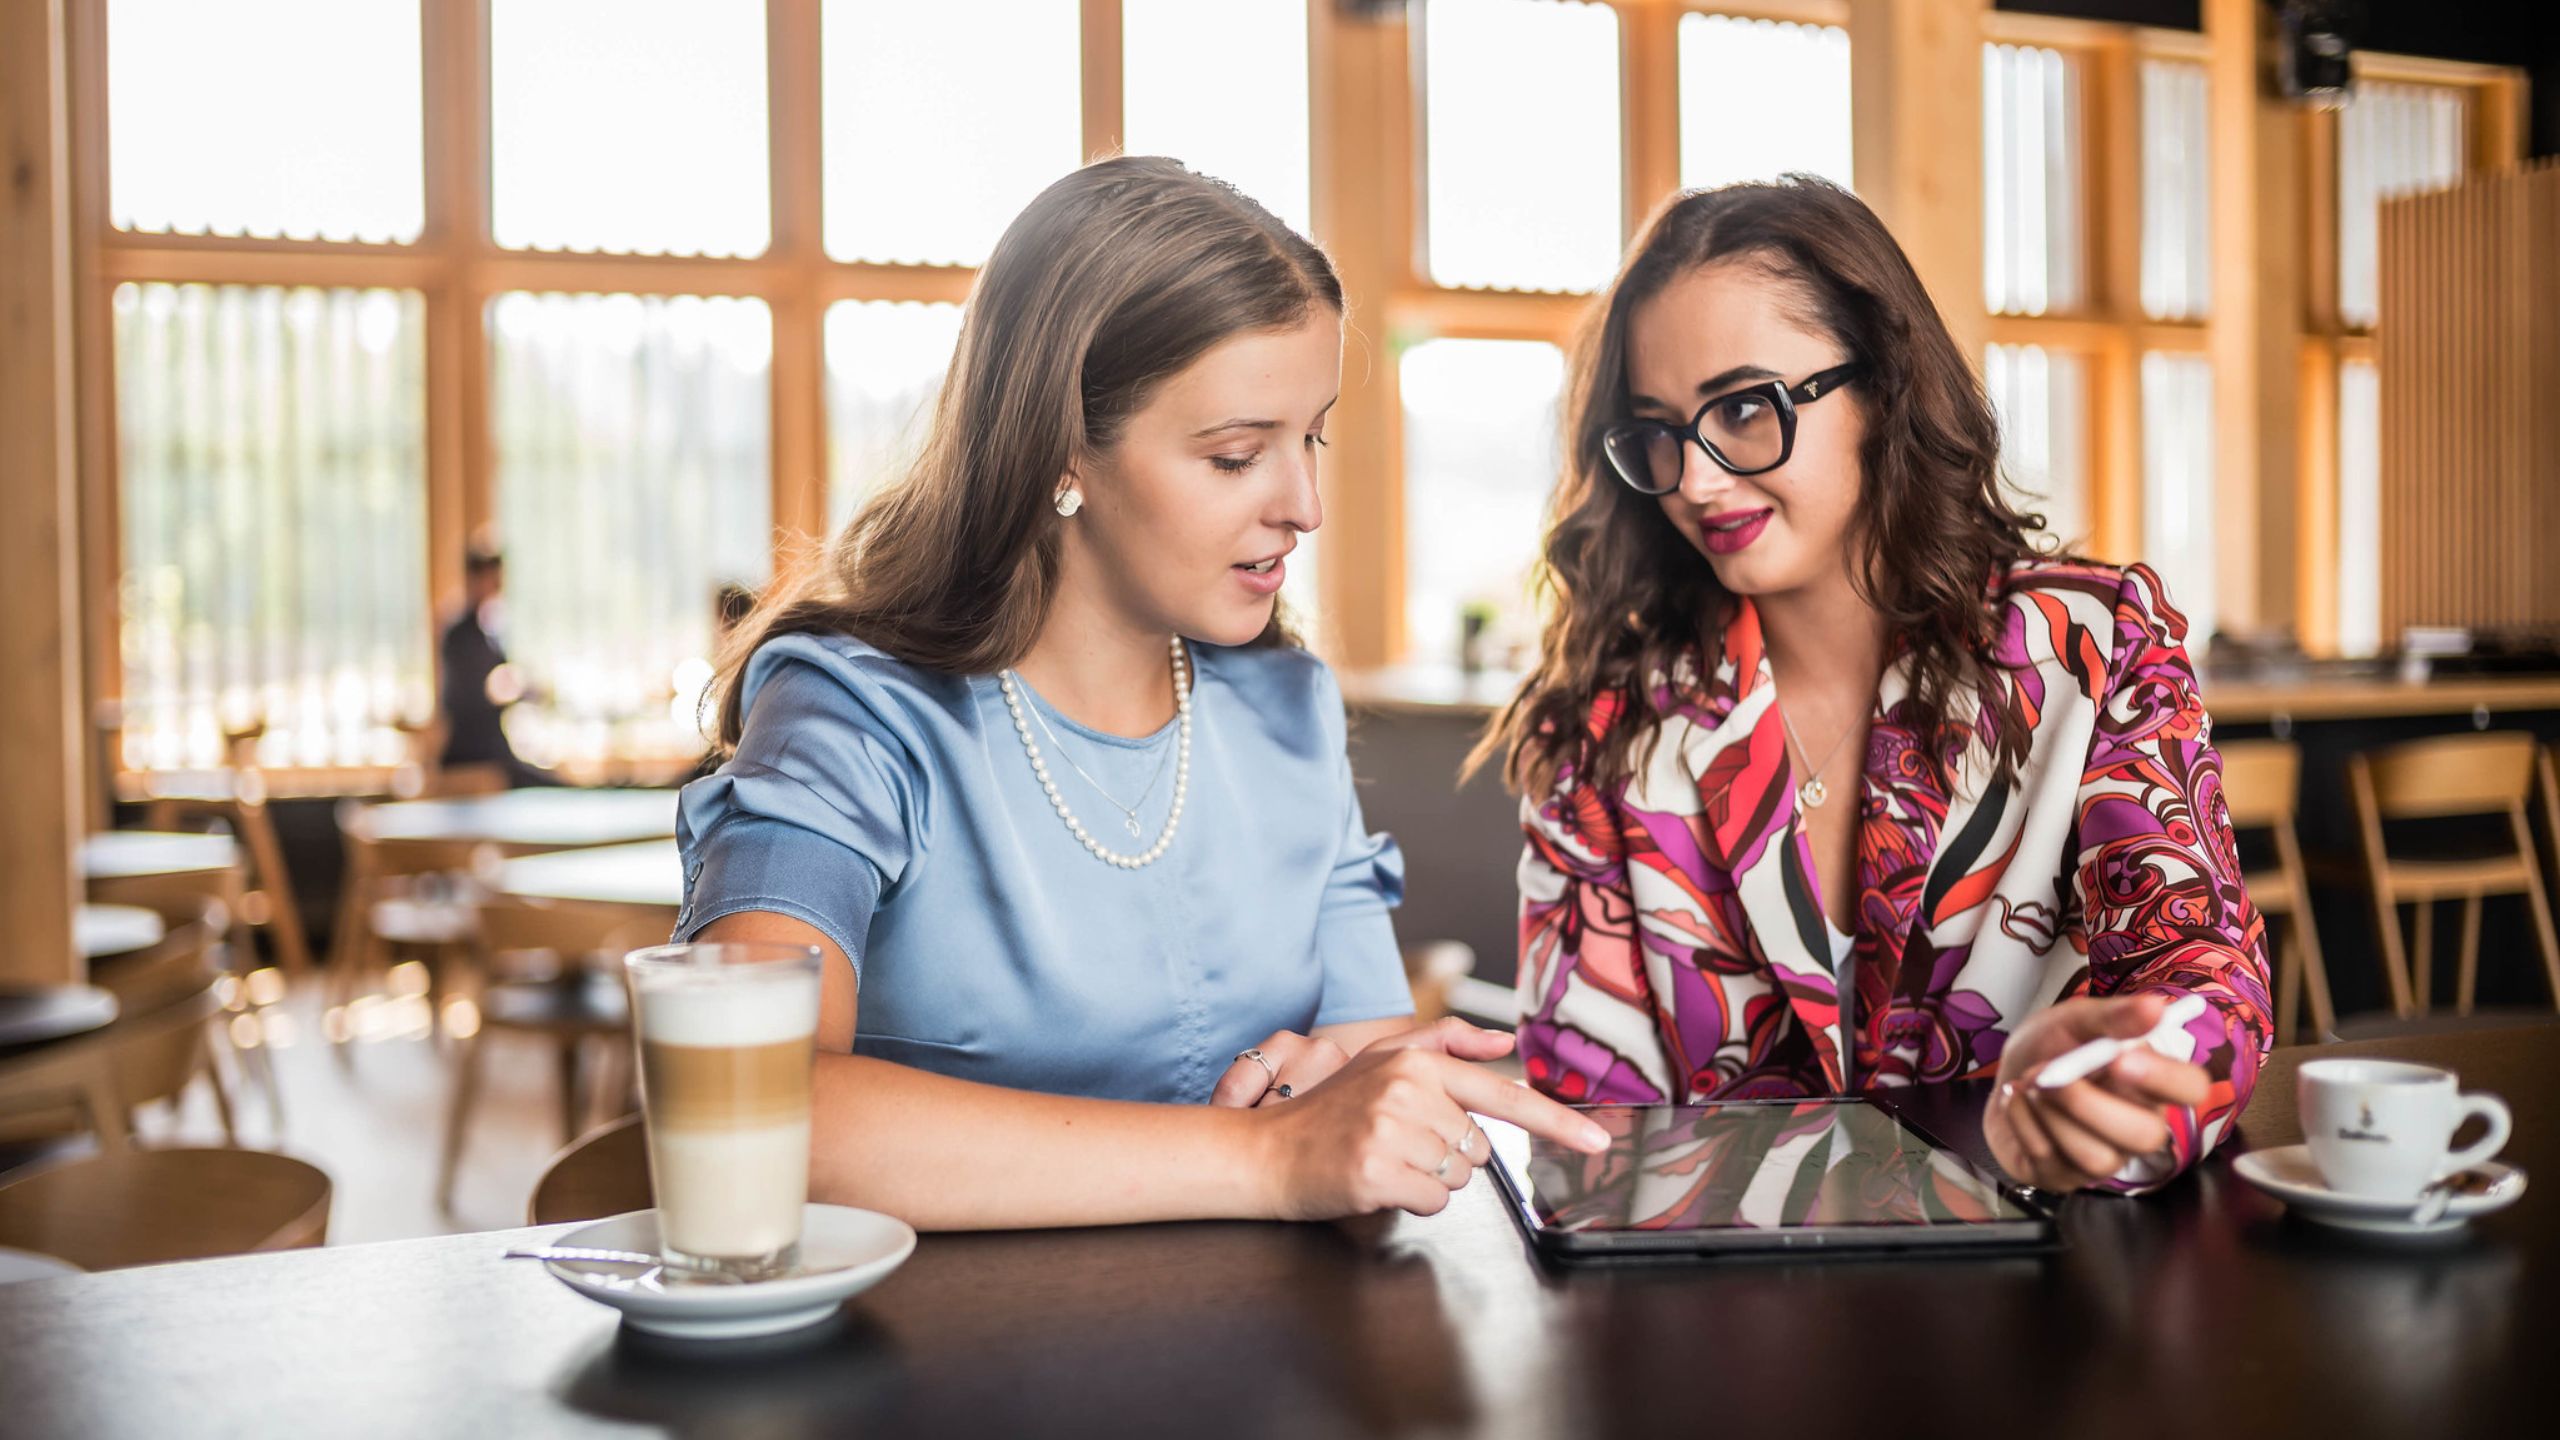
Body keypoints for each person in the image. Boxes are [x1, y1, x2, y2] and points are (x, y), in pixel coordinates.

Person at [680, 157, 1607, 1231]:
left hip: (1259, 1331)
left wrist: (1367, 1104)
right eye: (1235, 456)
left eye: (1311, 436)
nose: (1304, 505)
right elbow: (748, 1104)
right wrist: (1267, 1157)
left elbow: (1367, 1083)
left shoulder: (1288, 709)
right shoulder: (852, 714)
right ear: (1063, 451)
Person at [1477, 177, 2272, 1195]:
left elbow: (2202, 977)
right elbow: (1587, 1132)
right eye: (1658, 432)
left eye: (1745, 408)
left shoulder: (2091, 644)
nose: (1697, 482)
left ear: (1882, 386)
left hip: (2058, 1266)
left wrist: (2119, 1081)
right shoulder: (1604, 729)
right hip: (1722, 1285)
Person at [436, 543, 556, 788]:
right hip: (474, 753)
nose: (498, 586)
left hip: (494, 749)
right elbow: (464, 697)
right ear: (475, 579)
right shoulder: (460, 637)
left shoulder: (488, 633)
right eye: (492, 578)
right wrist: (506, 688)